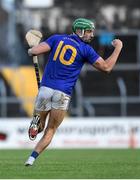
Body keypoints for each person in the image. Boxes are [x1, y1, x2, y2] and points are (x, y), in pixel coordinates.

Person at [25, 18, 123, 166]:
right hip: (62, 93)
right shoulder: (86, 49)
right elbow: (107, 68)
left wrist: (31, 49)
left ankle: (35, 124)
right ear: (79, 31)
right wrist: (118, 48)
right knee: (51, 130)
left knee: (39, 127)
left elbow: (35, 51)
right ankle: (31, 159)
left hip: (45, 89)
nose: (91, 35)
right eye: (89, 32)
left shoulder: (56, 38)